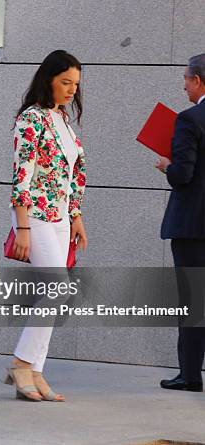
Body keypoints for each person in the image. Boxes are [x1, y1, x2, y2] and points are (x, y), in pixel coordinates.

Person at [7, 50, 87, 402]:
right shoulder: (32, 119)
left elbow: (73, 175)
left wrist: (76, 216)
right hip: (34, 214)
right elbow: (21, 176)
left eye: (75, 84)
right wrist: (22, 228)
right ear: (49, 80)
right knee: (58, 290)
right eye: (65, 82)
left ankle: (35, 370)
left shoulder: (63, 120)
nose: (71, 90)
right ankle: (22, 363)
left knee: (57, 293)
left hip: (60, 216)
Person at [157, 53, 205, 393]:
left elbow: (182, 175)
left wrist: (166, 165)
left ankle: (190, 374)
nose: (184, 84)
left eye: (187, 78)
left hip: (193, 227)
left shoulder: (190, 120)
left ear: (198, 80)